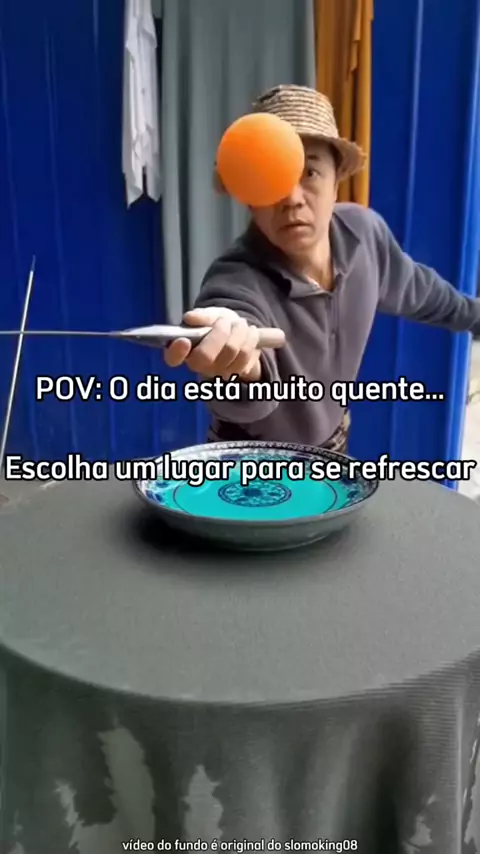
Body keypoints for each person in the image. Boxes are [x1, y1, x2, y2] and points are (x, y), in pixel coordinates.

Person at [164, 84, 480, 453]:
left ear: (336, 181)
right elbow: (241, 355)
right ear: (249, 198)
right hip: (250, 463)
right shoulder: (234, 281)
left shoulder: (364, 236)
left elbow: (422, 291)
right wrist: (242, 366)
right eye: (270, 178)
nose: (291, 198)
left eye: (310, 172)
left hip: (333, 448)